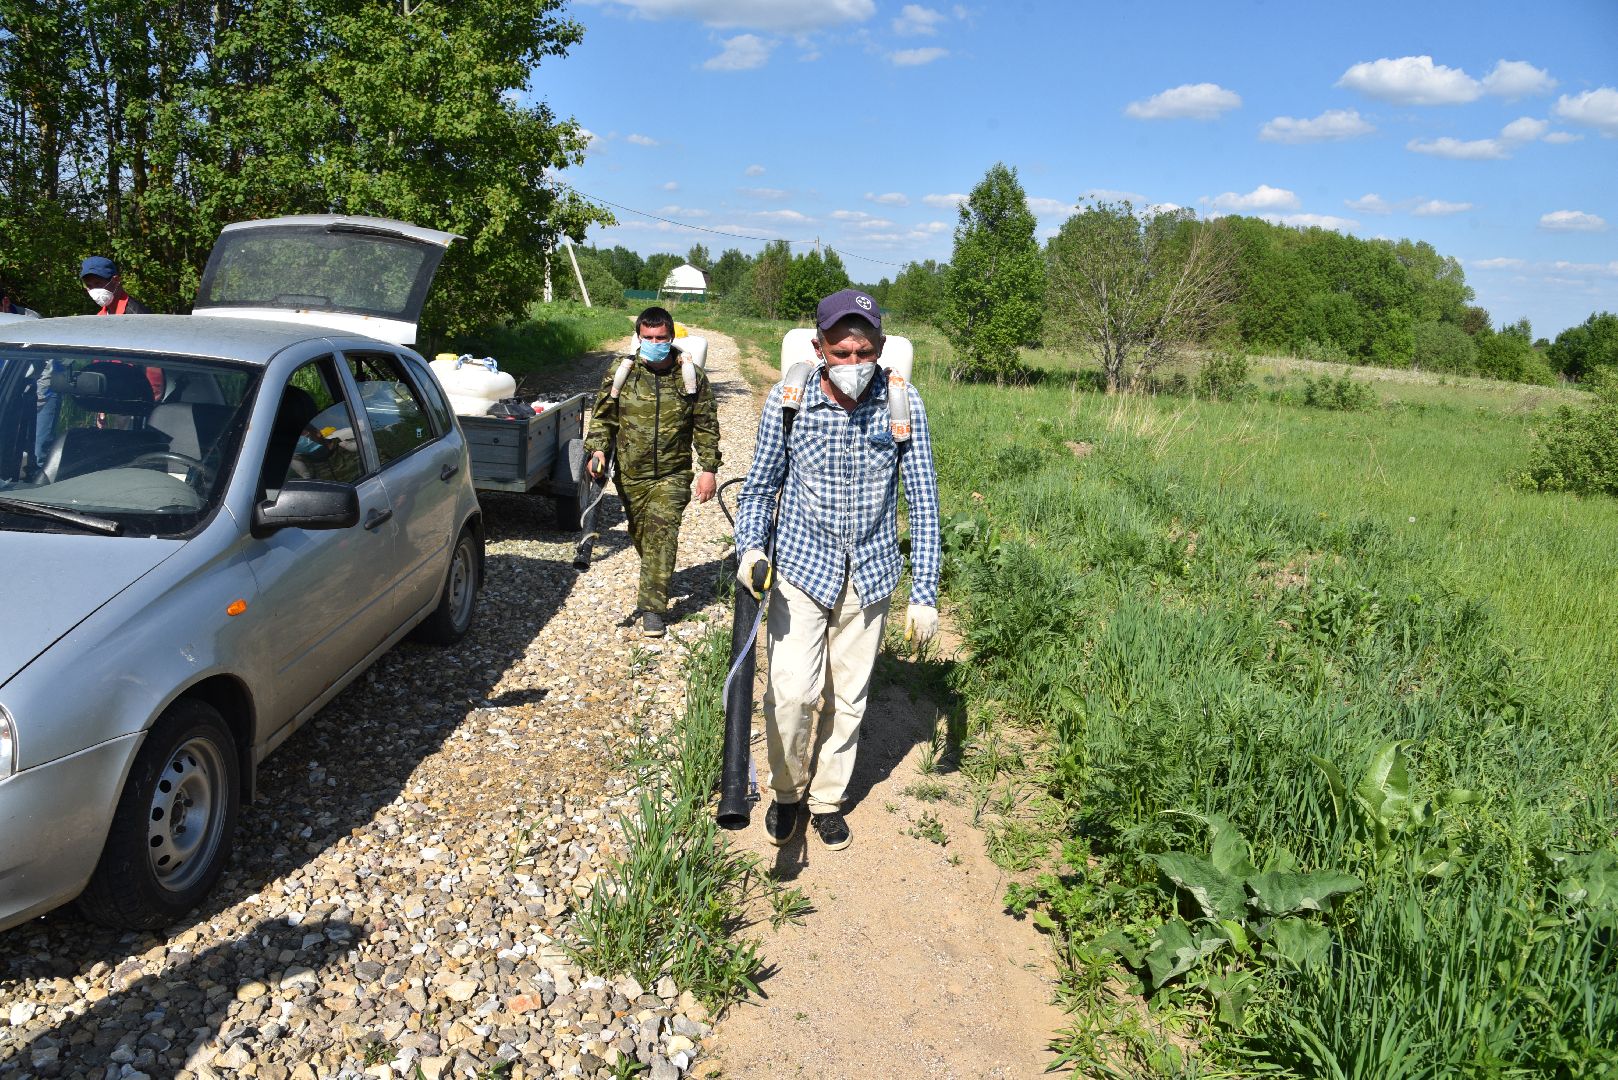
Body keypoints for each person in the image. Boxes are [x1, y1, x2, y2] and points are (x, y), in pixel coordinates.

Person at [733, 288, 941, 851]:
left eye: (864, 351)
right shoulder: (789, 399)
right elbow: (760, 487)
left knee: (848, 700)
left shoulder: (902, 403)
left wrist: (925, 592)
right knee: (792, 693)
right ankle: (786, 793)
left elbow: (923, 501)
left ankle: (826, 799)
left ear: (880, 347)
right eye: (841, 351)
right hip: (801, 568)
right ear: (819, 347)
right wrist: (750, 549)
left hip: (870, 573)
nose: (854, 362)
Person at [583, 306, 721, 638]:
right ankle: (657, 574)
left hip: (673, 473)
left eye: (661, 338)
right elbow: (603, 417)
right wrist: (597, 449)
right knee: (640, 532)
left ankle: (653, 609)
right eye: (648, 337)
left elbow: (706, 425)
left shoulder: (690, 376)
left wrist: (709, 469)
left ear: (671, 337)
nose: (655, 343)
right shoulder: (622, 372)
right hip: (631, 473)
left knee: (662, 532)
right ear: (639, 338)